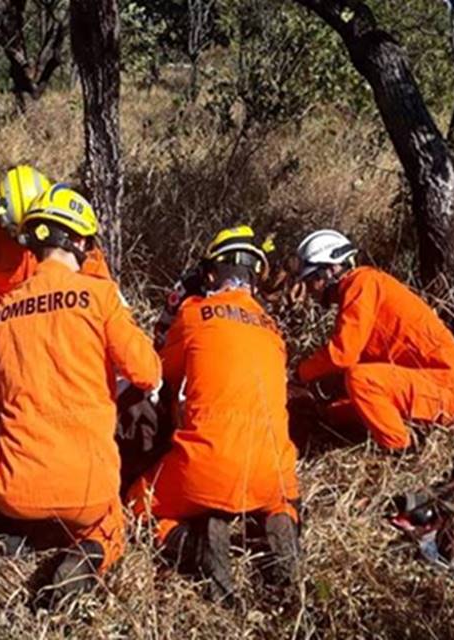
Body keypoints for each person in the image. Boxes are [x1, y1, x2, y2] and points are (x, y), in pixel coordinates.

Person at [0, 185, 161, 597]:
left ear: (34, 243)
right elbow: (146, 372)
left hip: (13, 489)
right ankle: (93, 550)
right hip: (89, 489)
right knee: (110, 517)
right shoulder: (100, 295)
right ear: (80, 242)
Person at [128, 226, 299, 603]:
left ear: (209, 276)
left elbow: (161, 374)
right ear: (254, 278)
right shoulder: (273, 330)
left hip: (206, 468)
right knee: (281, 499)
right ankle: (280, 524)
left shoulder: (192, 313)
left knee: (136, 503)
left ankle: (192, 544)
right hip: (275, 470)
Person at [294, 229, 454, 451]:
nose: (310, 290)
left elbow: (342, 354)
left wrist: (299, 374)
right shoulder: (360, 290)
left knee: (360, 380)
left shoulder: (362, 283)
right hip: (431, 388)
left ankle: (402, 448)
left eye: (311, 280)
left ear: (330, 270)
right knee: (335, 413)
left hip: (449, 391)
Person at [0, 165, 112, 384]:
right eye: (17, 232)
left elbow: (103, 294)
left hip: (64, 330)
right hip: (8, 337)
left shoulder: (71, 229)